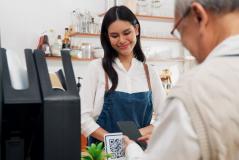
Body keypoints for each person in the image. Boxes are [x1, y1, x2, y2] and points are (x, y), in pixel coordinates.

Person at [124, 0, 239, 159]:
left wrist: (132, 149)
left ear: (199, 16)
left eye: (180, 31)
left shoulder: (194, 90)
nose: (183, 42)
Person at [80, 5, 166, 145]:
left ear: (136, 30)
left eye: (127, 33)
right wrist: (114, 141)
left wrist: (136, 136)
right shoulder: (96, 68)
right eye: (114, 36)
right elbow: (82, 118)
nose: (121, 40)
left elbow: (166, 117)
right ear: (107, 37)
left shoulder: (149, 72)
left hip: (138, 151)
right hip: (103, 151)